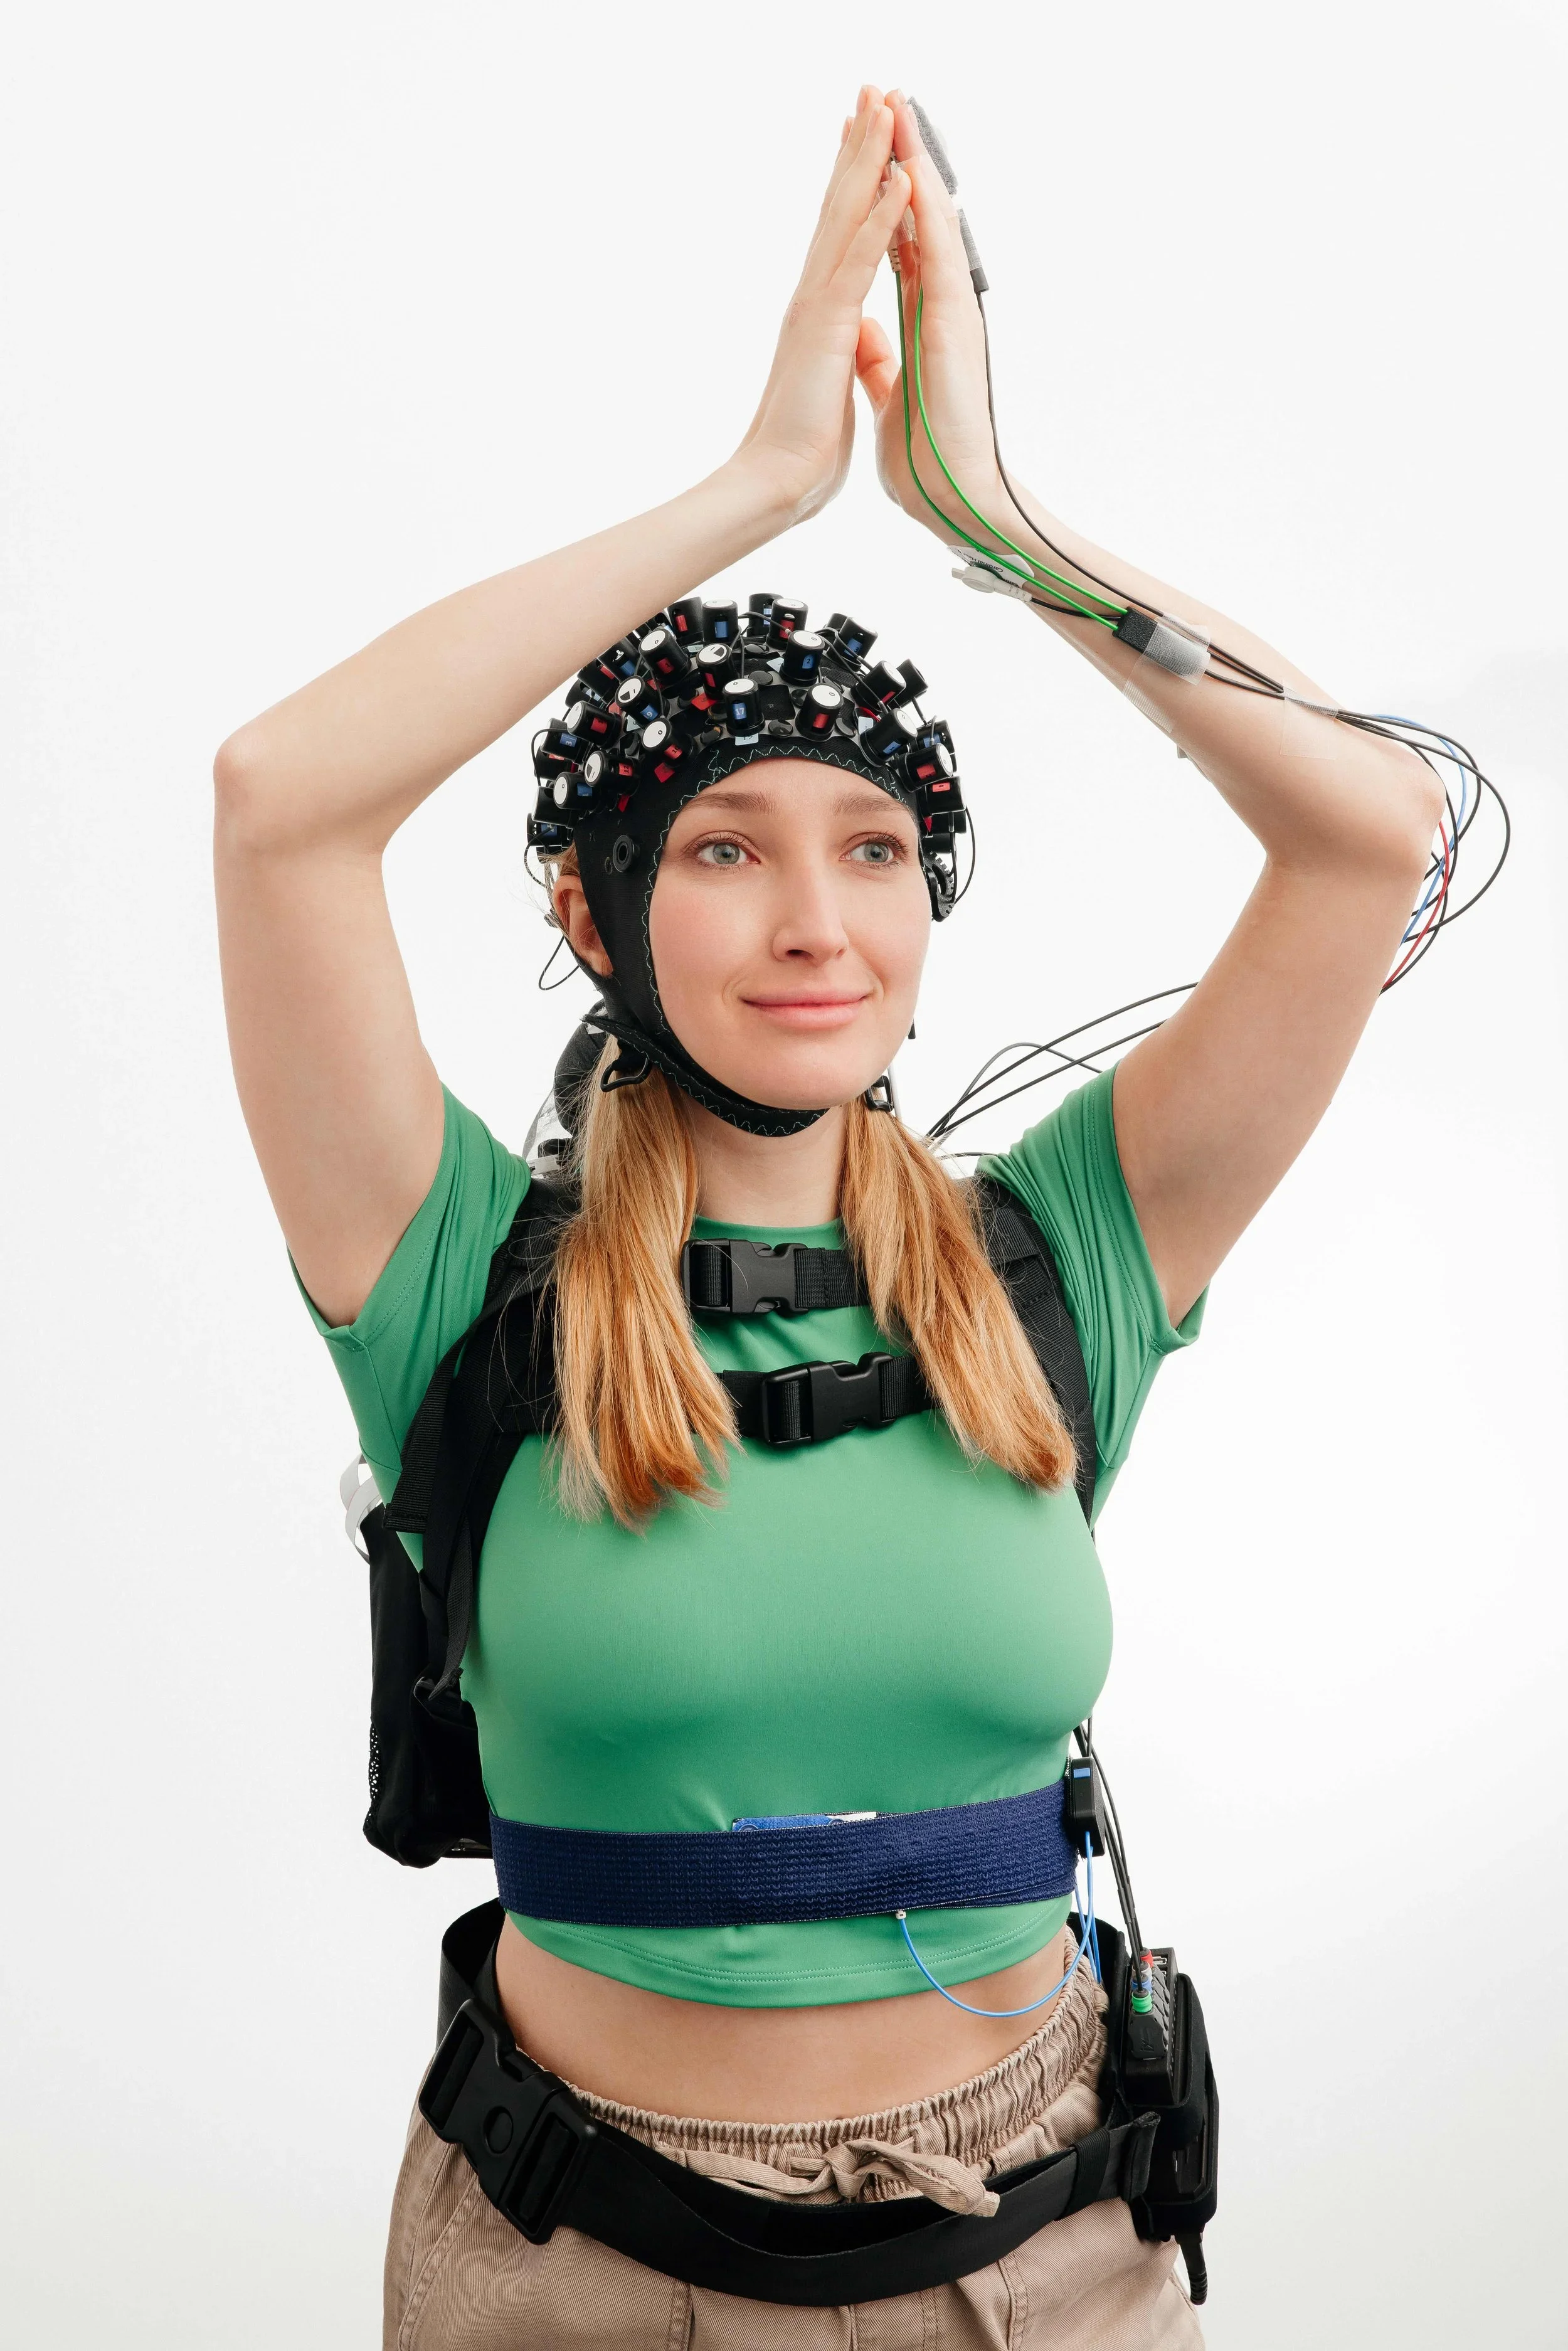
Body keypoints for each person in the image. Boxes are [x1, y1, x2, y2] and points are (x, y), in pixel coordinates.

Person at [214, 82, 1443, 2351]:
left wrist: (992, 518)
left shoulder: (1056, 1261)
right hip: (573, 2259)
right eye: (722, 844)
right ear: (595, 903)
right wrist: (757, 488)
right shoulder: (455, 1268)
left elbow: (1372, 834)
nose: (816, 922)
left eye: (874, 847)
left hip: (1055, 2244)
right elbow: (282, 800)